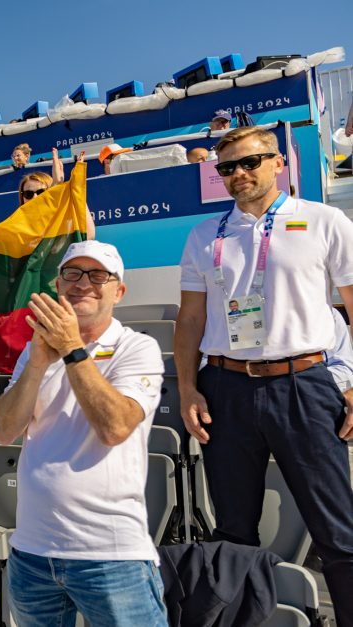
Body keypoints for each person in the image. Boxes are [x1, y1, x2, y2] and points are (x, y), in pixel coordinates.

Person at [175, 125, 353, 625]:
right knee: (233, 531)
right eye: (227, 167)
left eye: (250, 162)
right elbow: (190, 319)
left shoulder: (323, 221)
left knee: (338, 531)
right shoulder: (204, 235)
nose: (239, 174)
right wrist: (188, 386)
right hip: (225, 389)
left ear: (279, 163)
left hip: (304, 385)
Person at [0, 240, 166, 626]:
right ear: (58, 285)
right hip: (32, 553)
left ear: (118, 291)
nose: (83, 283)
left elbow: (114, 427)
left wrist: (72, 348)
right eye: (72, 274)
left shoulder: (137, 347)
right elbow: (3, 430)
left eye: (98, 275)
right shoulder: (32, 350)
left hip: (110, 554)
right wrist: (37, 363)